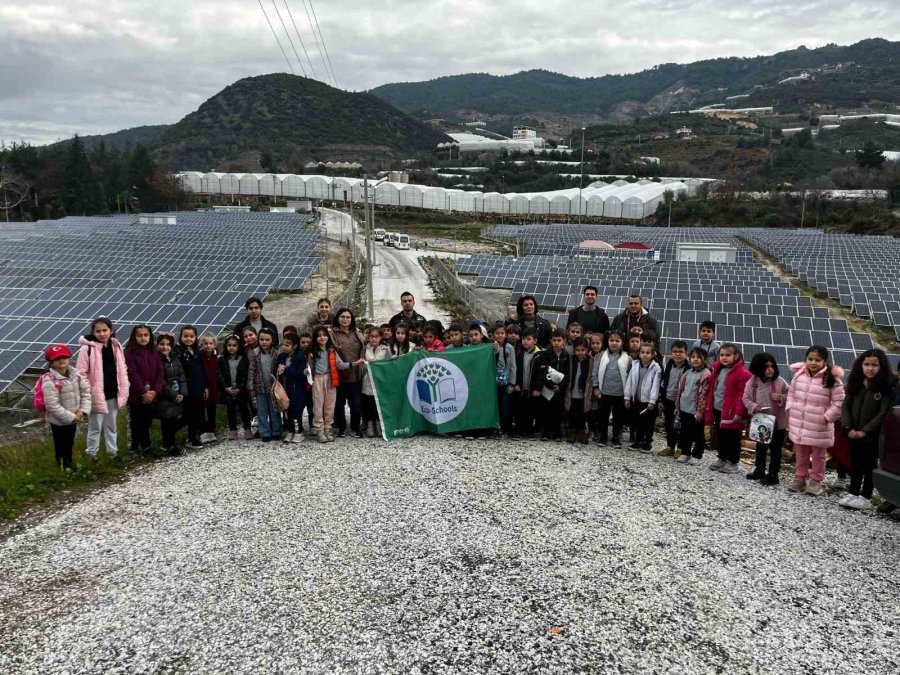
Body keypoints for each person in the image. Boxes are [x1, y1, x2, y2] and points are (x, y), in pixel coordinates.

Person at [786, 346, 846, 496]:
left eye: (817, 360)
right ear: (805, 359)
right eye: (810, 359)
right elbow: (791, 393)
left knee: (819, 456)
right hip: (800, 422)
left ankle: (816, 481)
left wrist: (827, 418)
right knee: (801, 453)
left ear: (825, 361)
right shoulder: (799, 375)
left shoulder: (832, 379)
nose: (813, 362)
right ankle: (800, 478)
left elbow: (839, 402)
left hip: (820, 425)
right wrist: (790, 408)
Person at [838, 349, 894, 510]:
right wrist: (847, 427)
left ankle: (866, 496)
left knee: (869, 466)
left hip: (872, 435)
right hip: (852, 432)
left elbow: (883, 412)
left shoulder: (885, 387)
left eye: (874, 365)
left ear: (881, 366)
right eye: (866, 364)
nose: (870, 368)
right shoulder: (856, 383)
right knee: (855, 464)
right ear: (861, 365)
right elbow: (846, 406)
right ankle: (853, 492)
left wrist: (865, 430)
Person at [77, 317, 129, 460]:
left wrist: (125, 385)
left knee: (111, 425)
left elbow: (122, 367)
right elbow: (80, 374)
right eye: (98, 331)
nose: (102, 334)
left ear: (111, 331)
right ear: (93, 332)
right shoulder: (86, 349)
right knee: (95, 427)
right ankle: (91, 454)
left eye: (105, 330)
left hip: (113, 392)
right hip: (97, 395)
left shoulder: (116, 346)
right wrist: (90, 391)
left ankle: (113, 453)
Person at [41, 344, 91, 471]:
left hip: (75, 416)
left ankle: (69, 464)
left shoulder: (76, 375)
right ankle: (61, 467)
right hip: (59, 420)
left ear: (69, 358)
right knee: (60, 444)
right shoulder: (49, 380)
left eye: (64, 357)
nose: (61, 360)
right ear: (51, 362)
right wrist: (71, 417)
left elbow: (86, 392)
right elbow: (51, 405)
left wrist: (82, 411)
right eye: (57, 359)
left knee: (69, 442)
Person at [742, 353, 789, 485]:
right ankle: (759, 469)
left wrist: (781, 397)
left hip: (778, 423)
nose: (770, 369)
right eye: (766, 367)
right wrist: (754, 406)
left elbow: (791, 395)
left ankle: (773, 473)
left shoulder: (779, 381)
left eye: (772, 366)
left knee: (775, 448)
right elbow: (745, 399)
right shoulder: (752, 383)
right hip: (761, 422)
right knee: (760, 446)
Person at [704, 343, 751, 475]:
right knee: (721, 435)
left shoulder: (742, 374)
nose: (724, 358)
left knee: (733, 437)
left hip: (732, 412)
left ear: (736, 356)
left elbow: (743, 395)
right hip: (718, 408)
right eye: (722, 355)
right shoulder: (718, 370)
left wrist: (739, 412)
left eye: (728, 355)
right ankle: (722, 457)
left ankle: (733, 462)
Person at [123, 324, 163, 456]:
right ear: (134, 337)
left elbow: (159, 373)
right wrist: (143, 392)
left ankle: (146, 445)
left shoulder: (154, 351)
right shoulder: (129, 353)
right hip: (136, 395)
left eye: (146, 335)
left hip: (152, 394)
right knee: (136, 421)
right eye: (139, 335)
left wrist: (155, 391)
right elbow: (132, 374)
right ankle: (135, 446)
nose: (143, 338)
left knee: (147, 421)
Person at [308, 326, 351, 443]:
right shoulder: (312, 352)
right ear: (315, 338)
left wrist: (354, 363)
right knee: (318, 405)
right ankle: (320, 430)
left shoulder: (332, 351)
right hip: (318, 379)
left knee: (330, 406)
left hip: (331, 379)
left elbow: (340, 365)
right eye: (319, 335)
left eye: (324, 335)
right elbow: (307, 367)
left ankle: (328, 429)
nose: (322, 338)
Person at [331, 308, 367, 437]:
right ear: (338, 318)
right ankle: (341, 428)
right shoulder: (332, 334)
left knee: (356, 404)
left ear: (351, 319)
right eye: (342, 317)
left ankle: (355, 427)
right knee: (339, 405)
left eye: (348, 317)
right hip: (339, 376)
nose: (345, 319)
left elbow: (364, 349)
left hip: (355, 375)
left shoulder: (357, 333)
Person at [592, 330, 631, 448]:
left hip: (620, 393)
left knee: (618, 416)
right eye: (611, 340)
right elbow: (595, 372)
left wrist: (627, 394)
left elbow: (630, 376)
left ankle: (615, 437)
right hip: (604, 392)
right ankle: (603, 436)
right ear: (607, 342)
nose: (614, 343)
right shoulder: (601, 355)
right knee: (603, 415)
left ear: (622, 343)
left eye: (617, 341)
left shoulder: (627, 358)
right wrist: (596, 387)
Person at [674, 347, 710, 466]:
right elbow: (680, 391)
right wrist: (677, 407)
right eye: (693, 357)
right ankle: (685, 452)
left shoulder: (706, 375)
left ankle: (697, 455)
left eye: (699, 357)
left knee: (698, 434)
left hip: (696, 411)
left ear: (704, 359)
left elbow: (704, 395)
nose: (695, 359)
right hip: (684, 408)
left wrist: (700, 411)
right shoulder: (687, 373)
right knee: (685, 432)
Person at [533, 329, 571, 441]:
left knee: (558, 410)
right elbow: (543, 371)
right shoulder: (546, 354)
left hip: (559, 389)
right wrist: (549, 385)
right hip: (547, 388)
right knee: (546, 410)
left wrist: (561, 386)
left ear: (564, 341)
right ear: (550, 341)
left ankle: (557, 432)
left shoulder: (566, 355)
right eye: (554, 340)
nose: (556, 343)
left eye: (559, 340)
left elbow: (567, 373)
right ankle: (545, 432)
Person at [624, 342, 662, 453]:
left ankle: (648, 442)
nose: (645, 355)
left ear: (652, 354)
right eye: (642, 352)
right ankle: (638, 441)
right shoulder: (635, 364)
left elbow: (656, 385)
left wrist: (652, 400)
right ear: (639, 353)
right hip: (637, 398)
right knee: (638, 420)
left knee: (649, 423)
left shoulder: (656, 368)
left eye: (648, 353)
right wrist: (627, 396)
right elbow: (630, 381)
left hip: (649, 401)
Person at [156, 333, 187, 456]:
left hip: (179, 394)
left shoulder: (175, 359)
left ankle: (168, 443)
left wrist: (183, 393)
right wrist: (173, 394)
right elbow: (160, 381)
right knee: (167, 420)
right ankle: (169, 445)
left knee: (180, 418)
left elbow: (182, 376)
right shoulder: (157, 360)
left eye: (168, 345)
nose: (165, 347)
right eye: (162, 344)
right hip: (165, 397)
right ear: (157, 345)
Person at [176, 325, 206, 450]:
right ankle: (171, 436)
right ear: (181, 337)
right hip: (187, 389)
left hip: (198, 388)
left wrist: (205, 387)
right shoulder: (178, 352)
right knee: (188, 415)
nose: (188, 339)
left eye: (191, 336)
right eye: (186, 336)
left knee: (197, 414)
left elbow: (201, 370)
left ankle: (192, 437)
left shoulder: (197, 352)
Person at [218, 334, 252, 441]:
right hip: (228, 389)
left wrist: (240, 388)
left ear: (239, 346)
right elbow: (220, 374)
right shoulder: (222, 359)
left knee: (244, 409)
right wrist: (225, 387)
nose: (231, 347)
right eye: (229, 345)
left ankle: (247, 429)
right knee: (231, 410)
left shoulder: (243, 359)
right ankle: (233, 430)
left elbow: (246, 375)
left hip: (240, 390)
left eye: (234, 345)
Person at [275, 332, 308, 444]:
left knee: (296, 411)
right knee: (287, 410)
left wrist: (287, 369)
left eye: (287, 345)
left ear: (294, 346)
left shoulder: (300, 357)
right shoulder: (281, 356)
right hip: (285, 388)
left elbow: (301, 374)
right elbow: (278, 371)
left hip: (296, 390)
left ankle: (298, 432)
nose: (284, 347)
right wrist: (279, 371)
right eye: (283, 344)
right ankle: (290, 430)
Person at [657, 340, 688, 457]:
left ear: (686, 354)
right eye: (675, 351)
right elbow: (663, 382)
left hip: (681, 403)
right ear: (671, 353)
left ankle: (680, 448)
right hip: (668, 400)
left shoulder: (688, 368)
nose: (678, 354)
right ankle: (670, 446)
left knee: (680, 426)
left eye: (681, 352)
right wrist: (661, 399)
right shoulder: (668, 365)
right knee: (669, 425)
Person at [362, 329, 391, 437]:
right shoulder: (365, 348)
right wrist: (368, 364)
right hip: (367, 380)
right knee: (368, 403)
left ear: (380, 337)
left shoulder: (385, 349)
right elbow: (361, 364)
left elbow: (388, 365)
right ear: (369, 337)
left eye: (376, 336)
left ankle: (379, 425)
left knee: (377, 404)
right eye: (372, 336)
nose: (374, 339)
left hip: (380, 381)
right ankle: (370, 425)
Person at [514, 328, 541, 437]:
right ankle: (519, 429)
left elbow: (541, 373)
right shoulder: (518, 352)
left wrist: (538, 388)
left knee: (530, 410)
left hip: (532, 388)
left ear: (535, 341)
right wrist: (515, 383)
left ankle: (529, 430)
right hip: (520, 387)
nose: (525, 341)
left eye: (528, 339)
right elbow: (514, 369)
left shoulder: (539, 354)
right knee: (519, 409)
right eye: (524, 339)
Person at [492, 322, 517, 436]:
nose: (500, 335)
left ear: (506, 335)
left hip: (506, 381)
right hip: (493, 382)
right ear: (493, 335)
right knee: (495, 405)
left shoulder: (510, 347)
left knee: (506, 406)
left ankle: (506, 427)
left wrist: (512, 383)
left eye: (502, 333)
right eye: (497, 333)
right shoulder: (490, 346)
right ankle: (496, 427)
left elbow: (513, 366)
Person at [566, 338, 591, 444]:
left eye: (583, 350)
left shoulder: (590, 361)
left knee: (582, 413)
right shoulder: (571, 360)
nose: (580, 352)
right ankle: (572, 432)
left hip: (584, 392)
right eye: (578, 350)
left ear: (587, 349)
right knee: (572, 412)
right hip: (572, 390)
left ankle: (581, 431)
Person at [198, 332, 220, 444]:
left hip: (214, 388)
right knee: (201, 409)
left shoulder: (216, 357)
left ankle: (211, 429)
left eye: (211, 343)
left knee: (212, 409)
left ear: (214, 345)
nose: (208, 346)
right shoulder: (199, 357)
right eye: (205, 343)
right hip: (203, 387)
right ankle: (202, 431)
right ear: (201, 344)